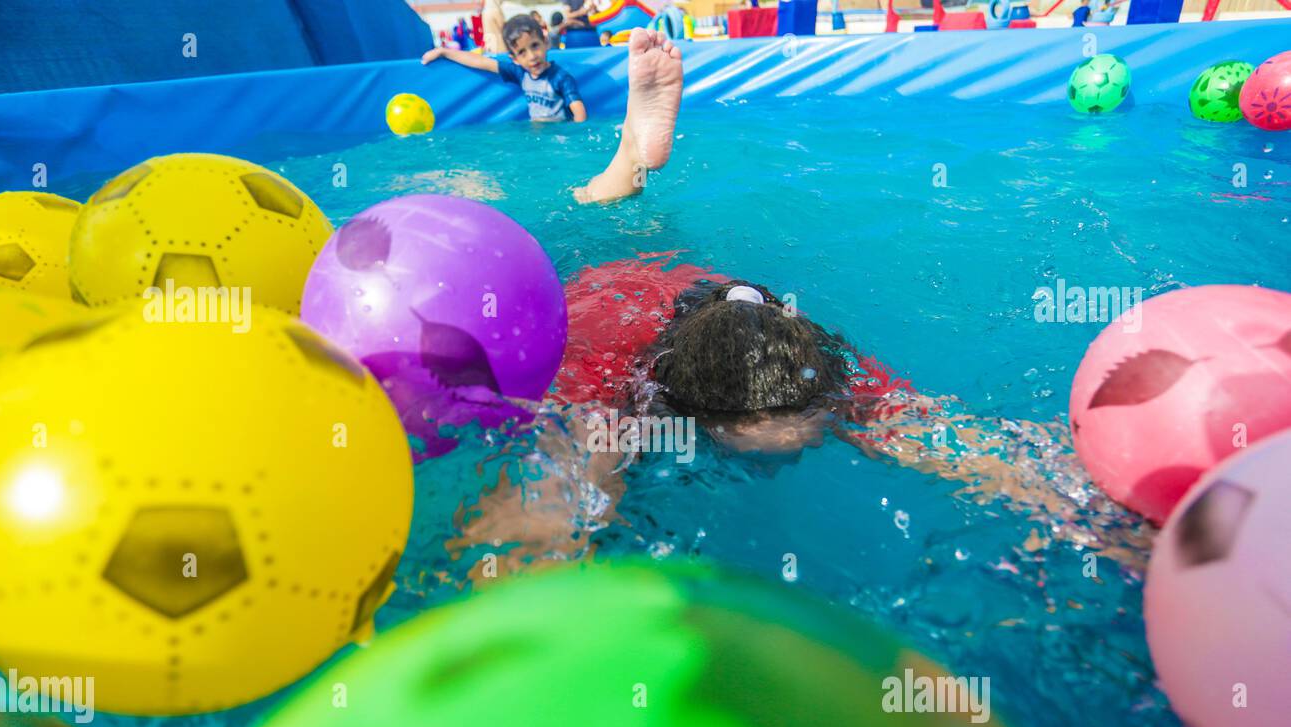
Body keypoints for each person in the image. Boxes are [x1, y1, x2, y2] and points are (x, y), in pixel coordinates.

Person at [442, 31, 1150, 579]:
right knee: (590, 213)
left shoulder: (807, 363)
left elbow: (960, 442)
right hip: (605, 288)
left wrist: (1104, 514)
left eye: (810, 432)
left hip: (703, 290)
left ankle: (632, 159)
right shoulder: (602, 377)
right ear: (686, 408)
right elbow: (529, 527)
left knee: (637, 219)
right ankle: (626, 158)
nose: (786, 464)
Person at [422, 15, 588, 123]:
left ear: (546, 43)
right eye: (522, 52)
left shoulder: (560, 77)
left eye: (535, 45)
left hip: (559, 135)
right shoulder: (521, 73)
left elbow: (578, 110)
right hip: (537, 134)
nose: (531, 56)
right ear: (514, 59)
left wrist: (577, 138)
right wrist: (443, 51)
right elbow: (481, 62)